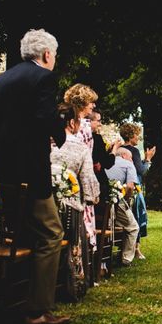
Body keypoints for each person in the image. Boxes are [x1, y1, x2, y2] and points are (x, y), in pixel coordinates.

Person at [0, 28, 69, 324]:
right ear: (47, 54)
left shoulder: (1, 81)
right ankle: (37, 308)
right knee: (51, 232)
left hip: (1, 175)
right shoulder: (43, 78)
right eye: (54, 55)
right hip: (30, 174)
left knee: (25, 233)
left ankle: (18, 296)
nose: (54, 60)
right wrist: (60, 134)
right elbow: (44, 116)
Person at [50, 103, 100, 299]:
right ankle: (72, 285)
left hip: (43, 204)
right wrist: (92, 197)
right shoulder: (79, 147)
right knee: (73, 238)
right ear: (72, 123)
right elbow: (89, 184)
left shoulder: (43, 142)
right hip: (69, 210)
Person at [64, 83, 99, 247]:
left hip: (64, 178)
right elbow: (87, 159)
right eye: (91, 102)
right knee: (81, 225)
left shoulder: (63, 121)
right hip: (79, 180)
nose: (93, 105)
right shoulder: (84, 126)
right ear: (82, 102)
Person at [120, 121, 156, 259]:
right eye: (137, 135)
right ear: (131, 136)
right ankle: (136, 249)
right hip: (133, 189)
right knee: (137, 217)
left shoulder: (119, 149)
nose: (138, 138)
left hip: (120, 188)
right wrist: (147, 159)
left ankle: (127, 248)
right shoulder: (133, 151)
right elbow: (140, 171)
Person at [105, 147, 140, 266]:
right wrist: (127, 200)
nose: (132, 160)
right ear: (124, 156)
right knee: (133, 227)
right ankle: (126, 258)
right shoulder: (128, 165)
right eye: (131, 158)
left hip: (101, 204)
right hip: (116, 200)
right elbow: (130, 187)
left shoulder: (106, 161)